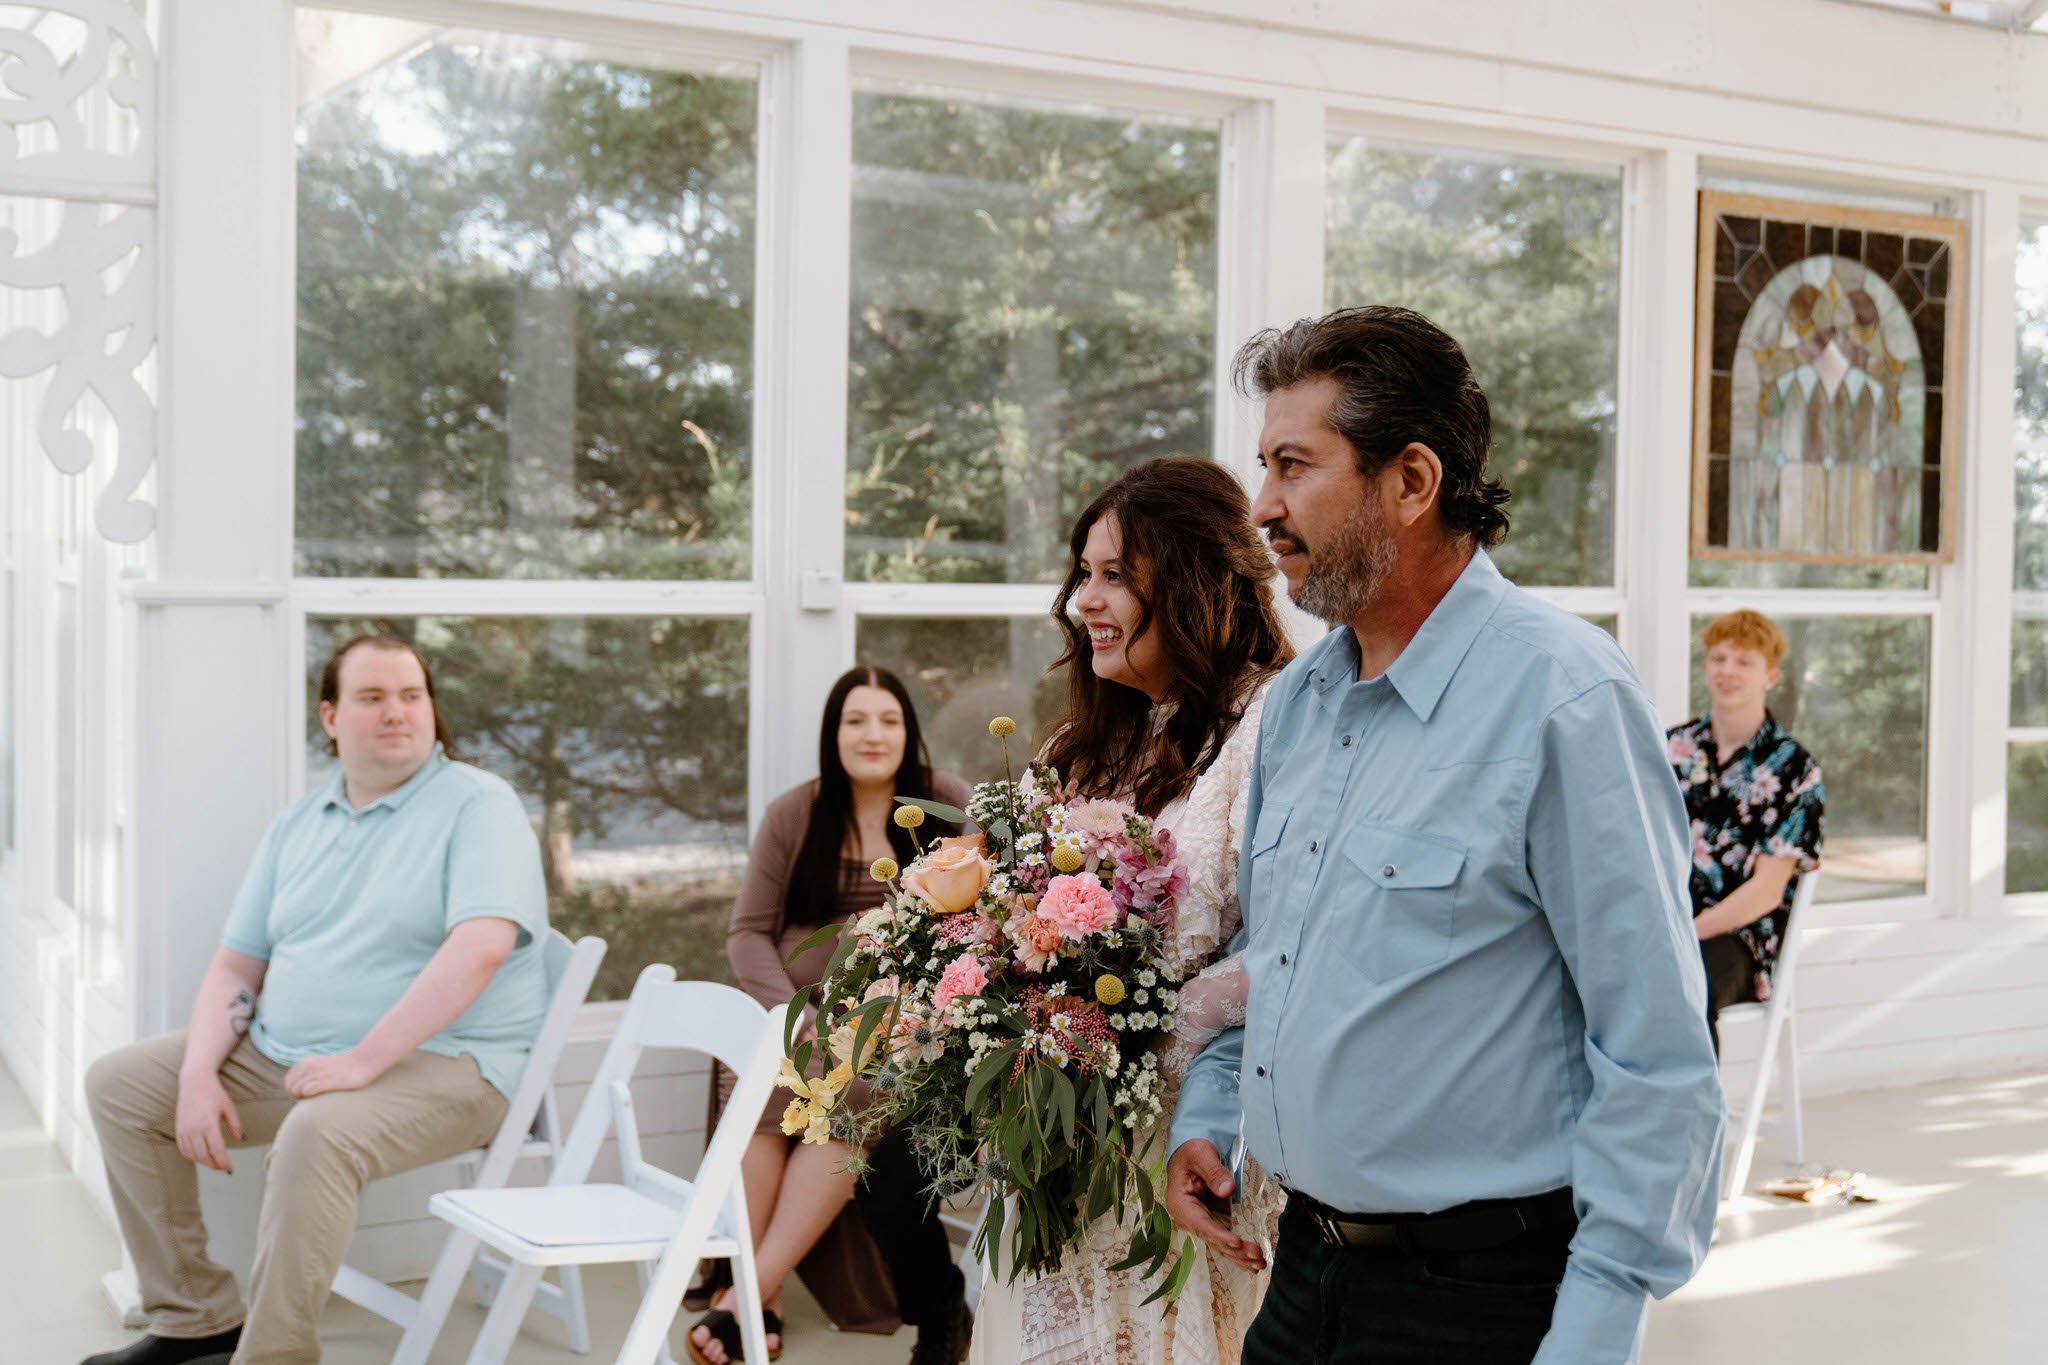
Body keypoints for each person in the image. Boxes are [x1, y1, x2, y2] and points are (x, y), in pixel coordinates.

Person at [1164, 306, 1724, 1365]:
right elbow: (1275, 963)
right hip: (1301, 1273)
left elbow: (1654, 1052)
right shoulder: (1294, 709)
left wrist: (1593, 1333)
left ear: (1411, 482)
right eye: (1262, 466)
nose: (1263, 508)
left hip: (1484, 1304)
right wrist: (1213, 1107)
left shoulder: (1562, 699)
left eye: (1293, 466)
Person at [82, 636, 550, 1365]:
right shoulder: (299, 824)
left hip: (454, 1065)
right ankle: (195, 1316)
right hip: (295, 1056)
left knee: (316, 1132)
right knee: (120, 1084)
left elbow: (480, 947)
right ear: (331, 717)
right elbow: (236, 965)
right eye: (371, 697)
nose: (396, 712)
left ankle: (274, 1356)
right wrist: (198, 1074)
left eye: (411, 695)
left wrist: (363, 1060)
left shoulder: (479, 805)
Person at [970, 456, 1295, 1365]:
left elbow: (1288, 942)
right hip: (1062, 1138)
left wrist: (1138, 1036)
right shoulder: (1085, 742)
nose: (1085, 600)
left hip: (1189, 1140)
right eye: (1083, 572)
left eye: (1115, 574)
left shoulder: (1274, 724)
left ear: (1190, 579)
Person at [697, 668, 973, 1365]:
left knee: (856, 1085)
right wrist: (790, 1018)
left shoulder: (945, 806)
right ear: (834, 732)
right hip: (794, 1012)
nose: (872, 734)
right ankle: (762, 1296)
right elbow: (747, 933)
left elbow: (975, 930)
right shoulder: (798, 813)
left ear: (909, 731)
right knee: (768, 1079)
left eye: (887, 719)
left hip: (898, 1026)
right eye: (855, 719)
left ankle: (746, 1294)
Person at [1667, 609, 1825, 1053]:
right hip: (1665, 922)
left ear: (1770, 676)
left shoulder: (1795, 769)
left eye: (1744, 662)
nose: (1728, 671)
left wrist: (1685, 932)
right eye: (1718, 659)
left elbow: (1767, 892)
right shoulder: (1671, 749)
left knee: (1683, 989)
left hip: (1740, 939)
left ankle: (1691, 1121)